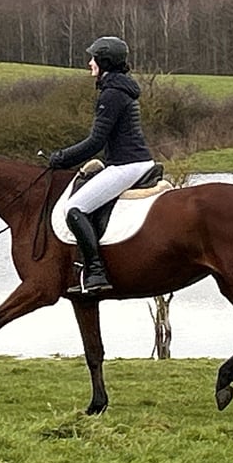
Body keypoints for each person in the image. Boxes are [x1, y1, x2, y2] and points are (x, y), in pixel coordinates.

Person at [49, 36, 154, 294]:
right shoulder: (117, 88)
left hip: (126, 165)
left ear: (104, 61)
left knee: (75, 207)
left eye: (93, 59)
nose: (89, 63)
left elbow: (96, 141)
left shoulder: (112, 93)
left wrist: (62, 158)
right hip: (131, 161)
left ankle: (96, 271)